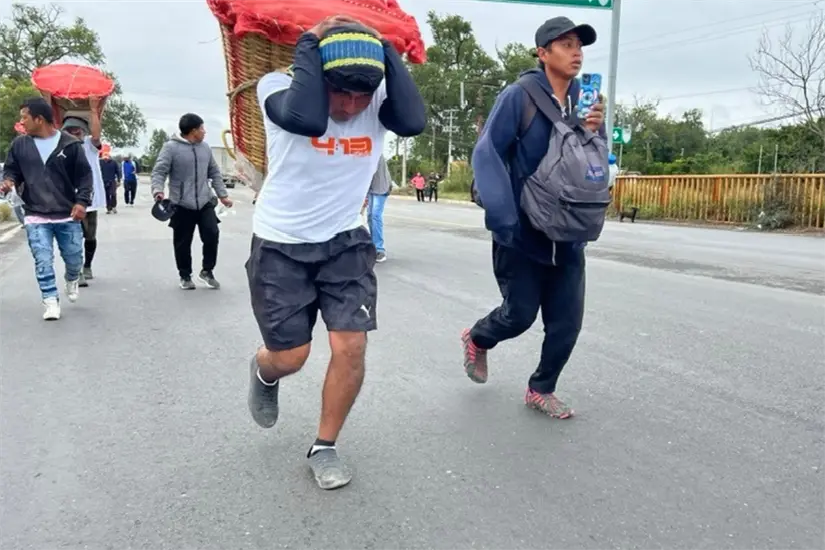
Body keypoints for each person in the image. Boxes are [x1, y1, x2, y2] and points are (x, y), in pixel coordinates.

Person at [247, 15, 425, 490]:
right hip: (281, 243)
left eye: (360, 96)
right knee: (292, 357)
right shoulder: (275, 88)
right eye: (339, 92)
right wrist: (312, 41)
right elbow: (307, 119)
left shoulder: (378, 100)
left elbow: (413, 121)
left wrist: (384, 49)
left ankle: (324, 445)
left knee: (351, 345)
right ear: (316, 72)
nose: (350, 106)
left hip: (346, 240)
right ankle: (264, 371)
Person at [461, 17, 606, 419]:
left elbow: (594, 163)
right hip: (522, 228)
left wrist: (597, 130)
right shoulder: (519, 97)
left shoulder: (584, 100)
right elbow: (487, 152)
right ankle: (478, 337)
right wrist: (503, 218)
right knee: (520, 314)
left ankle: (541, 388)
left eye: (579, 44)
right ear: (543, 54)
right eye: (565, 44)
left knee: (567, 322)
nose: (576, 52)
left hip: (569, 231)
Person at [1, 98, 92, 320]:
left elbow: (85, 176)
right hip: (35, 213)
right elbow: (12, 170)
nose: (21, 122)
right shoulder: (20, 145)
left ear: (39, 119)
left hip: (67, 214)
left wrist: (81, 203)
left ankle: (72, 278)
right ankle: (50, 300)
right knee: (42, 258)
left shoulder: (70, 145)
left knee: (74, 258)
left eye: (25, 117)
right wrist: (8, 181)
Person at [151, 113, 233, 290]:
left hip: (205, 202)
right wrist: (158, 191)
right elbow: (159, 172)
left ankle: (207, 271)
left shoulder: (205, 148)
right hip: (181, 204)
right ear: (193, 131)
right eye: (202, 128)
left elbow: (214, 172)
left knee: (212, 235)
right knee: (182, 242)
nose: (205, 132)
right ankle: (185, 275)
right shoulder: (171, 148)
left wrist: (223, 195)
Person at [56, 97, 107, 287]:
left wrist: (94, 109)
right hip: (68, 199)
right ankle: (76, 270)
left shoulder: (89, 146)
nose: (73, 133)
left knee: (90, 235)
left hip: (89, 199)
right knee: (73, 235)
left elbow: (96, 135)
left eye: (76, 130)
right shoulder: (60, 145)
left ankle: (87, 265)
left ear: (83, 132)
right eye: (69, 130)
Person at [367, 155, 391, 262]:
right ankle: (373, 246)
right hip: (371, 187)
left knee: (375, 215)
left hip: (381, 187)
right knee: (370, 216)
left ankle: (379, 249)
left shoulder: (375, 153)